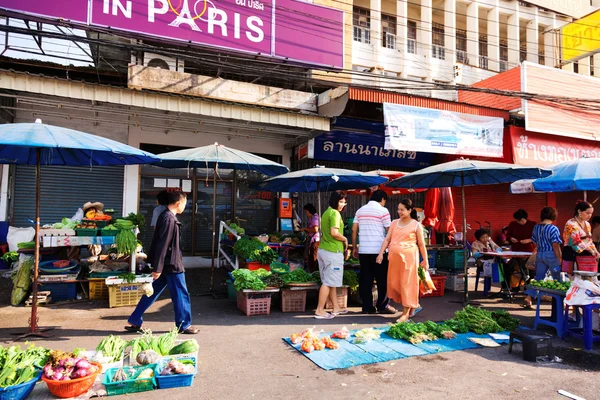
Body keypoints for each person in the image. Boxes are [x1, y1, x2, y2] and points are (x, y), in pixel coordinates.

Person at [126, 191, 198, 334]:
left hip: (166, 263)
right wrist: (157, 268)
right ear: (178, 203)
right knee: (181, 294)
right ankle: (184, 325)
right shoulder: (169, 218)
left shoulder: (166, 216)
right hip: (171, 264)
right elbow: (162, 244)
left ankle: (134, 319)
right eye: (184, 203)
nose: (185, 206)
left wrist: (158, 266)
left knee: (151, 293)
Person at [376, 199, 428, 323]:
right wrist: (380, 254)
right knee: (395, 284)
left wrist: (425, 260)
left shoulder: (416, 225)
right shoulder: (394, 223)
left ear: (410, 210)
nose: (399, 212)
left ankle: (405, 314)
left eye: (402, 210)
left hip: (409, 259)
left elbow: (421, 244)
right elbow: (387, 239)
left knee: (407, 284)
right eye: (398, 209)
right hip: (394, 260)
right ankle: (412, 306)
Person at [352, 190, 396, 314]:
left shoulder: (360, 210)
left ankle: (367, 307)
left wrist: (355, 247)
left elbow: (354, 230)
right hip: (379, 250)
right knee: (382, 279)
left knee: (366, 279)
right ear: (382, 199)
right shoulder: (383, 211)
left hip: (364, 250)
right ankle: (382, 306)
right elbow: (389, 231)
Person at [315, 191, 348, 319]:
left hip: (323, 250)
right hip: (333, 252)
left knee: (330, 281)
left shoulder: (326, 212)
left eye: (344, 201)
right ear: (335, 201)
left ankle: (336, 307)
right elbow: (334, 232)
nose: (343, 204)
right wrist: (345, 239)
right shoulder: (335, 213)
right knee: (328, 282)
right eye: (341, 201)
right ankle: (319, 310)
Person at [523, 207, 563, 308]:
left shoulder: (536, 227)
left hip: (540, 255)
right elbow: (555, 244)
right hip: (551, 255)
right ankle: (560, 303)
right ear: (553, 216)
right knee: (558, 279)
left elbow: (534, 241)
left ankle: (529, 297)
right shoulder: (553, 228)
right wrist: (559, 258)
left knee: (539, 278)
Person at [562, 201, 600, 275]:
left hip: (585, 255)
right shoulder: (571, 224)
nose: (590, 215)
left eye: (591, 213)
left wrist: (595, 250)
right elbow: (574, 243)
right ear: (579, 211)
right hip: (571, 254)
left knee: (587, 279)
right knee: (573, 279)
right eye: (587, 213)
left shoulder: (587, 224)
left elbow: (589, 240)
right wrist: (590, 250)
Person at [506, 209, 536, 289]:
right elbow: (508, 235)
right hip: (516, 250)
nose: (520, 222)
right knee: (513, 268)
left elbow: (537, 237)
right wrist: (511, 238)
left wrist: (529, 240)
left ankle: (529, 288)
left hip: (529, 251)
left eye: (521, 220)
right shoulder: (512, 224)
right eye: (517, 221)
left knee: (531, 270)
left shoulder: (532, 225)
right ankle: (513, 286)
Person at [300, 203, 320, 273]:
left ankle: (314, 273)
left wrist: (305, 228)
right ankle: (312, 272)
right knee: (311, 258)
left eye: (306, 212)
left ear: (309, 211)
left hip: (315, 241)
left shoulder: (315, 218)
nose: (306, 214)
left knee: (313, 258)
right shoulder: (312, 218)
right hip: (312, 240)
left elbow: (315, 229)